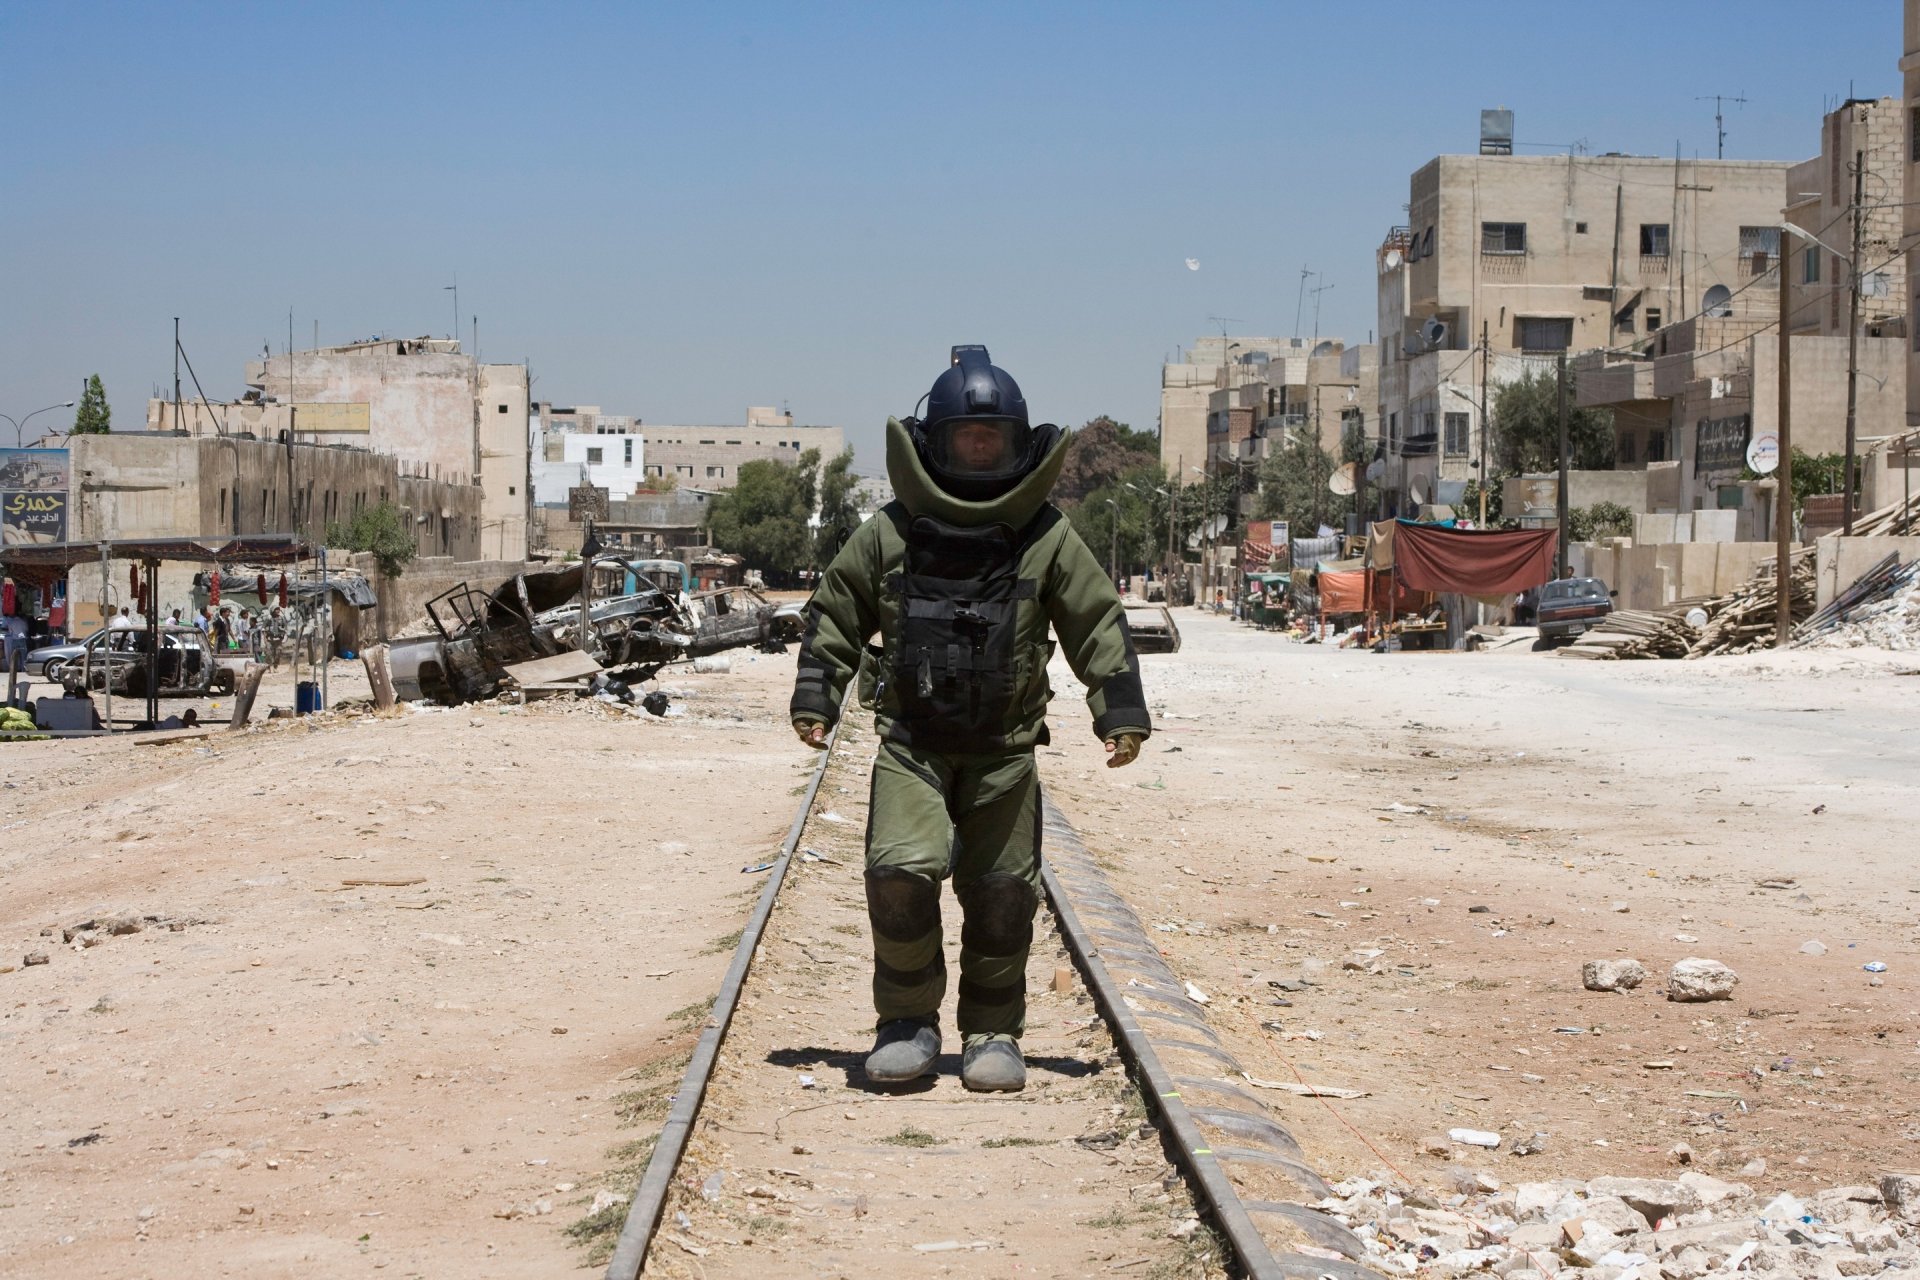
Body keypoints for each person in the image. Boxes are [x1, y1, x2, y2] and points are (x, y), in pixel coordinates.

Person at [789, 345, 1150, 1094]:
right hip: (912, 747)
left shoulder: (1044, 535)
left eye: (995, 443)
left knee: (1001, 892)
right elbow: (836, 612)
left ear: (1018, 446)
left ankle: (993, 1031)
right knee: (896, 876)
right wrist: (816, 696)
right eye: (968, 441)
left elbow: (1095, 620)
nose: (981, 455)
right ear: (936, 442)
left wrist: (1118, 712)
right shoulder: (890, 531)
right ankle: (906, 1024)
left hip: (1006, 753)